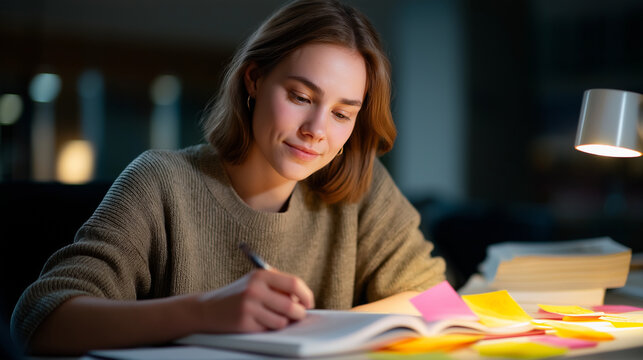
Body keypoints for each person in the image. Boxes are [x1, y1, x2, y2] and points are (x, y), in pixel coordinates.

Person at [11, 0, 445, 355]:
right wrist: (205, 312)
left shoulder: (360, 190)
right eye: (300, 96)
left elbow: (440, 300)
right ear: (254, 80)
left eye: (341, 113)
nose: (316, 130)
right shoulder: (161, 182)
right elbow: (40, 319)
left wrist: (327, 329)